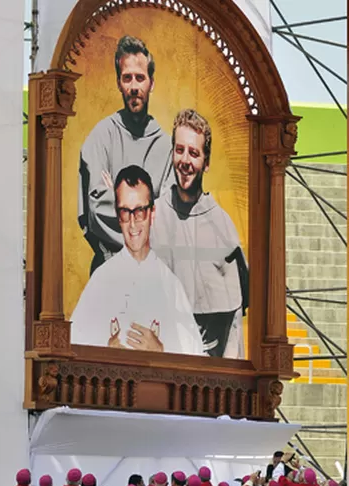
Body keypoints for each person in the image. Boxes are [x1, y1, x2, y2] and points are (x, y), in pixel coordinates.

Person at [70, 165, 206, 356]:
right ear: (118, 217)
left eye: (140, 211)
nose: (133, 223)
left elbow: (195, 357)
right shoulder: (102, 279)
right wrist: (106, 350)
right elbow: (73, 345)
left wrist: (161, 351)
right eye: (125, 212)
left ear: (152, 213)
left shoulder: (171, 285)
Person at [150, 109, 248, 359]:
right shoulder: (152, 217)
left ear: (206, 162)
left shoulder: (223, 228)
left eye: (194, 153)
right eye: (179, 150)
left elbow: (233, 326)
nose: (185, 160)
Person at [79, 35, 174, 274]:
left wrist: (117, 199)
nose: (134, 86)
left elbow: (168, 220)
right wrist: (147, 208)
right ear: (118, 83)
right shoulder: (101, 137)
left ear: (151, 83)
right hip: (109, 271)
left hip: (153, 274)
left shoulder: (166, 148)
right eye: (127, 78)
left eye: (140, 78)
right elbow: (97, 209)